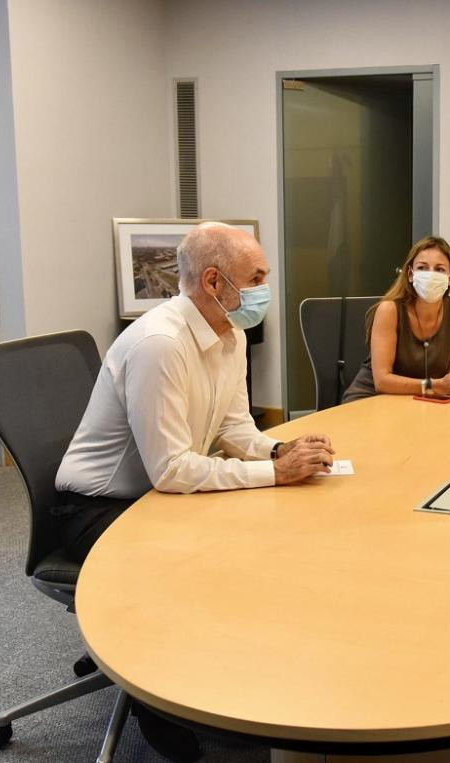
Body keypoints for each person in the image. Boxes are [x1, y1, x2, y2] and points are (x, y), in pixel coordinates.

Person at [55, 221, 333, 762]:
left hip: (155, 496)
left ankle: (226, 675)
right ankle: (155, 697)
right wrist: (274, 474)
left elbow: (235, 430)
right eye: (256, 277)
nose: (264, 288)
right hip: (99, 507)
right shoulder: (161, 344)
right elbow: (173, 471)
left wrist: (278, 452)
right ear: (213, 281)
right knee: (196, 564)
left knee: (260, 532)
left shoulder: (230, 334)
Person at [342, 235, 450, 402]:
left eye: (439, 269)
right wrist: (433, 386)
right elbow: (382, 381)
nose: (430, 275)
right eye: (422, 268)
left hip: (420, 401)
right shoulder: (389, 310)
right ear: (410, 274)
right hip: (372, 399)